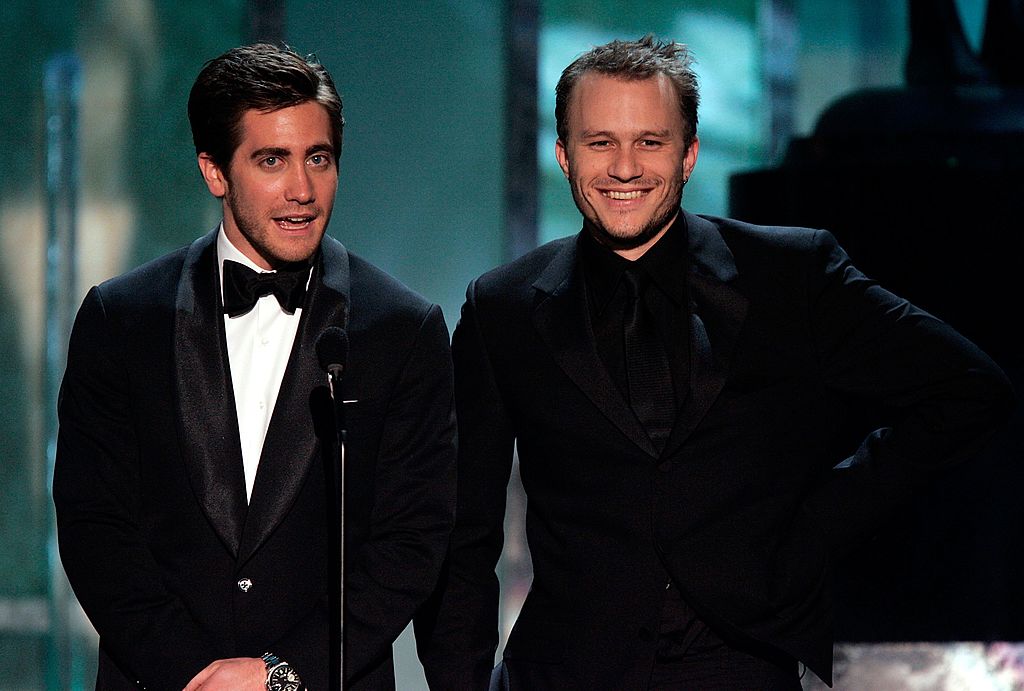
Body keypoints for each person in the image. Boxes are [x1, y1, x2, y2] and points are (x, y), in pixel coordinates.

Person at [415, 35, 1014, 689]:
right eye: (599, 141)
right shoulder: (503, 306)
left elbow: (967, 387)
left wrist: (814, 525)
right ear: (563, 154)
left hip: (738, 666)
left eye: (650, 141)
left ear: (689, 153)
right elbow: (459, 530)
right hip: (563, 670)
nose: (624, 167)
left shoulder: (790, 274)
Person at [53, 43, 456, 690]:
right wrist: (192, 673)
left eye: (318, 158)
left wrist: (281, 672)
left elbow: (411, 541)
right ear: (215, 171)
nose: (302, 190)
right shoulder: (121, 319)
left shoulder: (401, 330)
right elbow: (93, 525)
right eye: (272, 160)